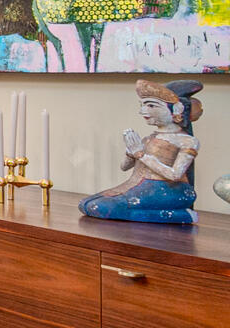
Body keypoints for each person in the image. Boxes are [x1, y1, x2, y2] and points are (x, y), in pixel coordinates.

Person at [80, 79, 203, 226]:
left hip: (167, 191)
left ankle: (182, 215)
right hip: (138, 186)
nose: (143, 111)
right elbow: (124, 167)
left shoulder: (187, 141)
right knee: (86, 203)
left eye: (151, 105)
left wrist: (142, 155)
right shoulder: (148, 139)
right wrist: (130, 152)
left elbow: (175, 175)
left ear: (177, 109)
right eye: (142, 105)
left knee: (99, 207)